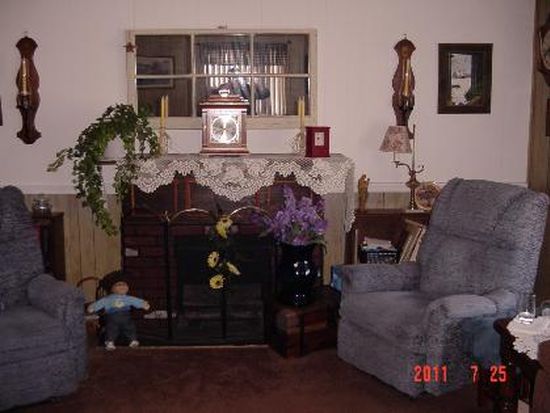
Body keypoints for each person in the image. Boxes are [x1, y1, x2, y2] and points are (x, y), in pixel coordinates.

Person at [87, 279, 150, 351]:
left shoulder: (127, 298)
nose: (122, 286)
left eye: (124, 284)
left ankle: (133, 340)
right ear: (112, 289)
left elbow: (135, 301)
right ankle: (110, 342)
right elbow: (100, 303)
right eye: (119, 284)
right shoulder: (108, 298)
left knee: (130, 328)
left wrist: (143, 304)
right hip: (112, 317)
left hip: (126, 317)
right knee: (111, 329)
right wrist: (93, 307)